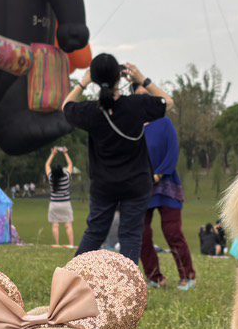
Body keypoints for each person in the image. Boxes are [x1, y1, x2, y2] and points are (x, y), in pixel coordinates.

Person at [61, 54, 172, 263]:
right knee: (130, 235)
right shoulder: (137, 105)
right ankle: (126, 290)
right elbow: (169, 102)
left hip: (104, 185)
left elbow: (66, 107)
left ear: (94, 78)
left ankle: (71, 280)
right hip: (137, 183)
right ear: (119, 78)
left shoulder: (91, 111)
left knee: (95, 233)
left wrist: (83, 83)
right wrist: (142, 79)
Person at [140, 116, 196, 290]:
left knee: (172, 232)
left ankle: (188, 276)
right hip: (141, 185)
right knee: (141, 233)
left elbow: (173, 151)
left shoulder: (164, 123)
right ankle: (154, 278)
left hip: (167, 185)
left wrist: (158, 174)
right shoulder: (132, 124)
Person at [45, 146, 76, 248]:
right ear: (62, 171)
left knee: (55, 225)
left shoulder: (51, 178)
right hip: (65, 204)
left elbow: (47, 165)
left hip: (54, 204)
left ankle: (57, 244)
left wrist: (53, 154)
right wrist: (65, 153)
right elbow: (70, 164)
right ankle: (71, 245)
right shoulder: (66, 177)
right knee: (68, 225)